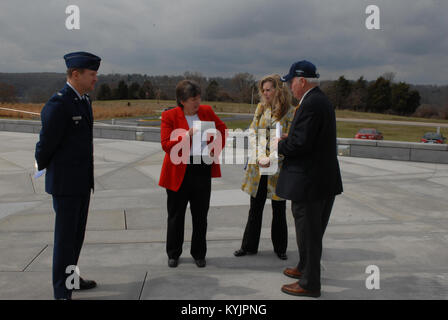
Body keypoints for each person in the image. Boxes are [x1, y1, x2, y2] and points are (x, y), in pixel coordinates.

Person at [273, 60, 343, 298]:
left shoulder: (311, 104)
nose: (289, 87)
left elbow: (300, 144)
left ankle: (310, 283)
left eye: (291, 82)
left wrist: (280, 143)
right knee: (310, 232)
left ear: (302, 81)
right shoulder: (318, 101)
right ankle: (303, 268)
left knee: (309, 234)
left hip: (310, 184)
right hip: (320, 181)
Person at [35, 51, 101, 300]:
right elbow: (45, 145)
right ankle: (62, 292)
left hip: (82, 183)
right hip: (65, 185)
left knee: (76, 238)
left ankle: (71, 279)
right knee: (64, 240)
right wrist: (44, 167)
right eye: (92, 74)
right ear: (76, 74)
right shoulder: (59, 103)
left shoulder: (83, 101)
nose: (96, 79)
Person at [159, 79, 227, 268]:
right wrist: (186, 135)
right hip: (178, 171)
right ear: (182, 100)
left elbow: (223, 130)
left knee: (200, 216)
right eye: (192, 99)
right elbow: (166, 144)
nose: (197, 103)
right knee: (175, 215)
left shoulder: (207, 112)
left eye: (198, 98)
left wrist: (216, 148)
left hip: (201, 169)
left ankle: (199, 253)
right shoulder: (170, 116)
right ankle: (173, 253)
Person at [235, 74, 295, 260]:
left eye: (269, 89)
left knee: (278, 208)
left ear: (279, 90)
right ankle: (249, 246)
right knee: (255, 207)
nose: (265, 93)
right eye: (264, 90)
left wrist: (273, 157)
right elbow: (252, 132)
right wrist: (261, 155)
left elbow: (291, 140)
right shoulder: (261, 108)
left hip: (278, 167)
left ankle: (280, 248)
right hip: (258, 166)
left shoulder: (290, 112)